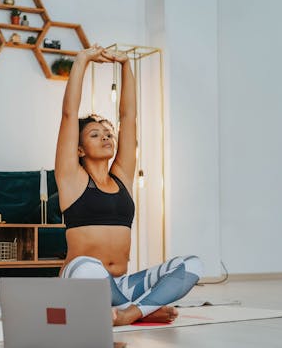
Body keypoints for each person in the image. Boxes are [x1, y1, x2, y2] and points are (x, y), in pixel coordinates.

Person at [54, 45, 203, 326]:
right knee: (88, 266)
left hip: (120, 284)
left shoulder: (121, 176)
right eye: (95, 135)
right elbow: (68, 115)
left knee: (193, 264)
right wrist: (83, 59)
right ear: (80, 149)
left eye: (108, 134)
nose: (106, 137)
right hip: (82, 279)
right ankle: (147, 309)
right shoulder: (71, 178)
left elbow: (128, 118)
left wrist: (125, 65)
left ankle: (130, 313)